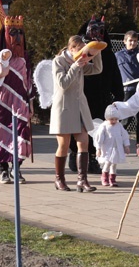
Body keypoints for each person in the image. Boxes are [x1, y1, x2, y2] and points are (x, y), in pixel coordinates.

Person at [0, 15, 36, 184]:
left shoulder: (24, 55)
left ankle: (16, 169)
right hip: (0, 102)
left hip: (20, 102)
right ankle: (3, 170)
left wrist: (31, 102)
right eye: (13, 32)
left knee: (21, 135)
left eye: (20, 32)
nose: (17, 37)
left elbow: (28, 80)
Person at [69, 18, 124, 174]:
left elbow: (115, 78)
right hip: (82, 97)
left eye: (100, 31)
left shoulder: (108, 55)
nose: (97, 34)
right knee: (79, 130)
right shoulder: (80, 53)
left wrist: (118, 98)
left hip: (102, 100)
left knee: (99, 130)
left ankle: (92, 157)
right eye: (93, 31)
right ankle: (75, 156)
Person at [50, 35, 102, 192]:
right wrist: (75, 66)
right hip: (64, 108)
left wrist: (96, 53)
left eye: (83, 50)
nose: (82, 53)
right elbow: (63, 83)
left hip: (79, 107)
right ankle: (59, 179)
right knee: (64, 146)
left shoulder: (81, 60)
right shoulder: (59, 61)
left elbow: (97, 69)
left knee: (84, 143)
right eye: (80, 50)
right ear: (71, 49)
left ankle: (82, 180)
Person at [115, 30, 139, 157]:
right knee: (126, 119)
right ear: (125, 41)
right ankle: (119, 143)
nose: (132, 43)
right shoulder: (118, 55)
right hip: (126, 90)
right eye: (130, 41)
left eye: (135, 41)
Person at [94, 105, 130, 187]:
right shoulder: (104, 126)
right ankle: (104, 177)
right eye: (111, 119)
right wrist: (98, 148)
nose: (114, 121)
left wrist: (126, 145)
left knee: (114, 164)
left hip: (117, 148)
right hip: (107, 148)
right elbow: (99, 138)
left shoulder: (119, 125)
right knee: (107, 163)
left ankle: (112, 179)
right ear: (107, 118)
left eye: (115, 119)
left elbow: (124, 135)